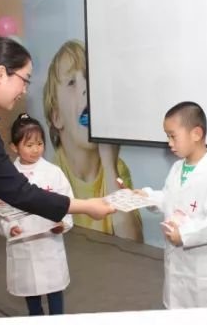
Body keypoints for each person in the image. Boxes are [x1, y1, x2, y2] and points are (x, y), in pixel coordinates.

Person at [0, 38, 116, 228]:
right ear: (0, 74)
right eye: (25, 80)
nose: (24, 90)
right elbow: (19, 192)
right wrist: (87, 206)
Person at [134, 102, 207, 308]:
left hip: (202, 269)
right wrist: (147, 197)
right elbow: (169, 199)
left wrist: (185, 234)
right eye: (167, 137)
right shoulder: (178, 167)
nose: (169, 143)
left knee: (203, 319)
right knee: (177, 311)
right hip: (177, 265)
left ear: (196, 134)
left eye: (173, 136)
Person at [42, 39, 142, 240]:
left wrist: (110, 166)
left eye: (89, 78)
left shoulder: (117, 168)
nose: (86, 87)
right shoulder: (51, 175)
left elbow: (133, 241)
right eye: (72, 82)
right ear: (57, 117)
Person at [0, 115, 72, 317]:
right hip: (23, 243)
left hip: (49, 242)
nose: (36, 149)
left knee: (54, 288)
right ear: (14, 147)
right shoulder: (8, 175)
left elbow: (68, 202)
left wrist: (63, 223)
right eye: (29, 145)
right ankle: (35, 320)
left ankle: (58, 323)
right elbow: (0, 210)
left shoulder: (53, 172)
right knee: (30, 289)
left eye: (40, 143)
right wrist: (10, 227)